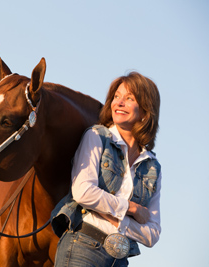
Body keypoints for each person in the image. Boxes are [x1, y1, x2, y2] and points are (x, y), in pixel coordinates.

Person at [51, 71, 162, 267]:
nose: (118, 102)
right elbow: (83, 192)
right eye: (116, 97)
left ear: (145, 112)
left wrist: (116, 220)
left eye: (129, 98)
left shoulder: (152, 166)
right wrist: (131, 208)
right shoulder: (97, 137)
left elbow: (152, 234)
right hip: (82, 247)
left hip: (119, 259)